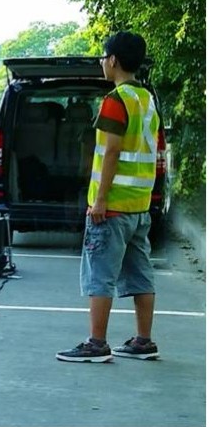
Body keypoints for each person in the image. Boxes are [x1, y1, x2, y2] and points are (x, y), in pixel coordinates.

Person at [56, 31, 161, 363]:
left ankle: (96, 343)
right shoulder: (146, 99)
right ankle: (143, 341)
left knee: (100, 272)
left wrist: (99, 200)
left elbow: (112, 152)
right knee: (140, 273)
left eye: (104, 57)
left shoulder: (116, 100)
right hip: (139, 205)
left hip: (112, 206)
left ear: (113, 60)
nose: (102, 62)